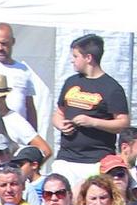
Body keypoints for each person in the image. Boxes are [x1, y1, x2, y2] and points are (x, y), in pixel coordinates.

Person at [51, 34, 129, 186]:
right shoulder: (71, 82)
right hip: (66, 158)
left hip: (96, 160)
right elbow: (58, 113)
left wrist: (93, 122)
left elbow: (123, 123)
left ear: (88, 58)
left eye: (75, 56)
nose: (72, 60)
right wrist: (60, 125)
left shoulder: (112, 87)